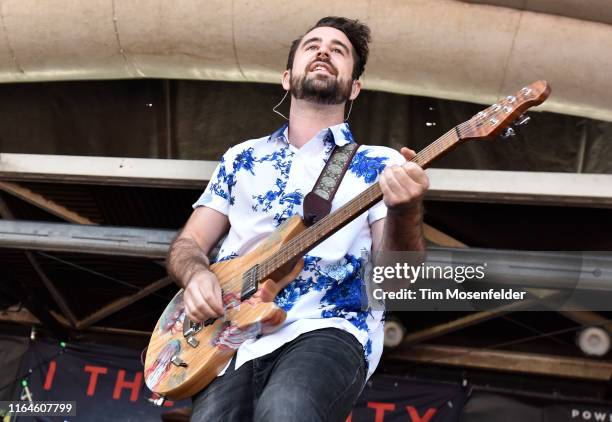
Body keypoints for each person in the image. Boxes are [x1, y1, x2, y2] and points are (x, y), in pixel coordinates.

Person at [166, 16, 428, 422]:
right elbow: (188, 245)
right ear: (287, 78)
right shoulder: (241, 158)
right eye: (313, 46)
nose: (324, 51)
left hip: (329, 327)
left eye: (338, 50)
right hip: (229, 338)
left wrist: (406, 208)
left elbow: (396, 283)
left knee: (286, 411)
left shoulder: (380, 164)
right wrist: (196, 276)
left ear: (354, 87)